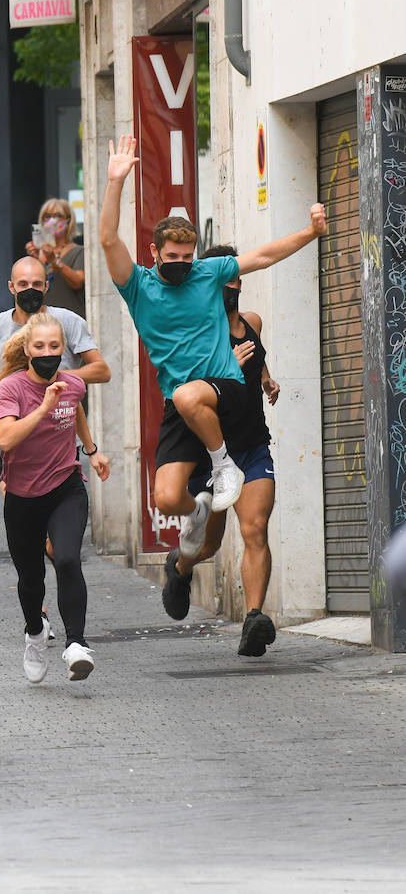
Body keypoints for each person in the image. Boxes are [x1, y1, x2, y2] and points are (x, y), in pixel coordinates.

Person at [99, 135, 325, 523]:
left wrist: (310, 232)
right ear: (154, 253)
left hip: (226, 387)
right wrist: (115, 180)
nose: (181, 264)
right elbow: (107, 238)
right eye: (172, 257)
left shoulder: (208, 272)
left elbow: (264, 256)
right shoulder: (138, 286)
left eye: (187, 257)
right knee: (167, 499)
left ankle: (224, 466)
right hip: (181, 400)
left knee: (190, 396)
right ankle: (199, 514)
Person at [162, 246, 281, 657]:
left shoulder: (252, 322)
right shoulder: (198, 334)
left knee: (255, 530)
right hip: (211, 457)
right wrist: (225, 363)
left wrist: (266, 379)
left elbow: (257, 356)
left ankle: (253, 620)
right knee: (208, 546)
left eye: (232, 281)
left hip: (251, 447)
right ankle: (179, 568)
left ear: (239, 282)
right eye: (220, 282)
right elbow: (185, 391)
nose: (227, 288)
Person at [0, 312, 111, 683]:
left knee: (68, 559)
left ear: (64, 350)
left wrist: (92, 451)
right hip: (23, 496)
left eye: (55, 347)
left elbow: (72, 407)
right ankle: (34, 633)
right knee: (31, 579)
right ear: (27, 349)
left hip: (65, 487)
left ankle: (76, 643)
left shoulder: (72, 383)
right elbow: (7, 439)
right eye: (40, 346)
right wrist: (43, 407)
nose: (48, 352)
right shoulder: (11, 389)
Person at [0, 256, 110, 486]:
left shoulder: (68, 321)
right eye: (23, 284)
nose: (29, 290)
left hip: (57, 434)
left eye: (36, 284)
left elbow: (102, 370)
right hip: (9, 431)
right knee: (19, 508)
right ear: (11, 287)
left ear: (46, 286)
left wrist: (56, 379)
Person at [26, 198, 87, 318]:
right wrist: (35, 260)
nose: (51, 221)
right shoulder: (39, 252)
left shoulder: (78, 251)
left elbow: (77, 282)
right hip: (43, 322)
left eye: (57, 216)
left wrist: (54, 261)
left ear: (68, 220)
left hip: (71, 321)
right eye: (47, 216)